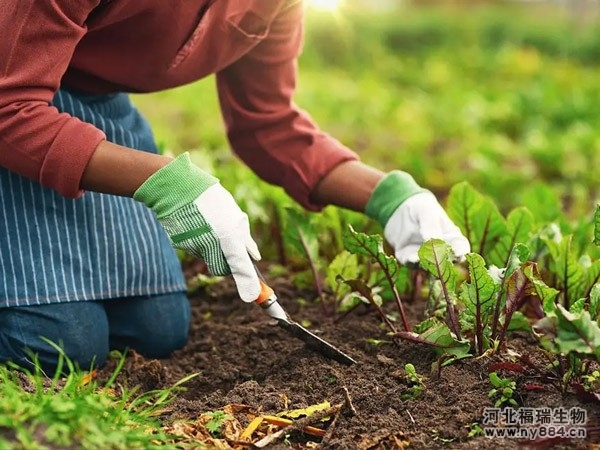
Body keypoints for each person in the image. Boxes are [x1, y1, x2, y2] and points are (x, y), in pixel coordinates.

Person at [0, 0, 470, 374]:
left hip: (94, 109)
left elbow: (269, 125)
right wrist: (166, 183)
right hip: (16, 102)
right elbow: (10, 105)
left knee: (157, 329)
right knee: (59, 343)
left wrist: (392, 197)